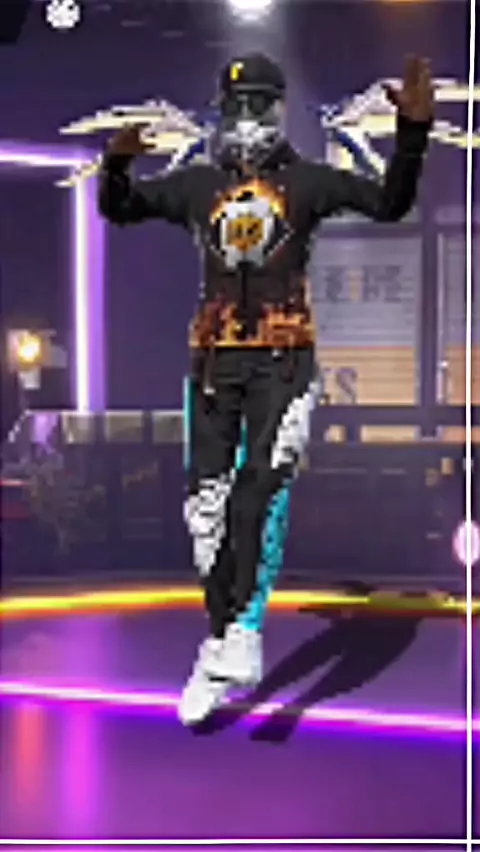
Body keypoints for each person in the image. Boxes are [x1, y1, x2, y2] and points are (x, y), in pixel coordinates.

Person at [97, 52, 433, 726]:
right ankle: (222, 641)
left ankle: (243, 635)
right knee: (206, 516)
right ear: (222, 113)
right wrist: (115, 165)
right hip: (210, 367)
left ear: (279, 110)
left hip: (282, 363)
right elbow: (122, 209)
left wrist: (412, 136)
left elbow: (389, 203)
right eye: (237, 105)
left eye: (259, 103)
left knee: (257, 498)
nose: (247, 117)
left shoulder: (308, 182)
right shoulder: (197, 185)